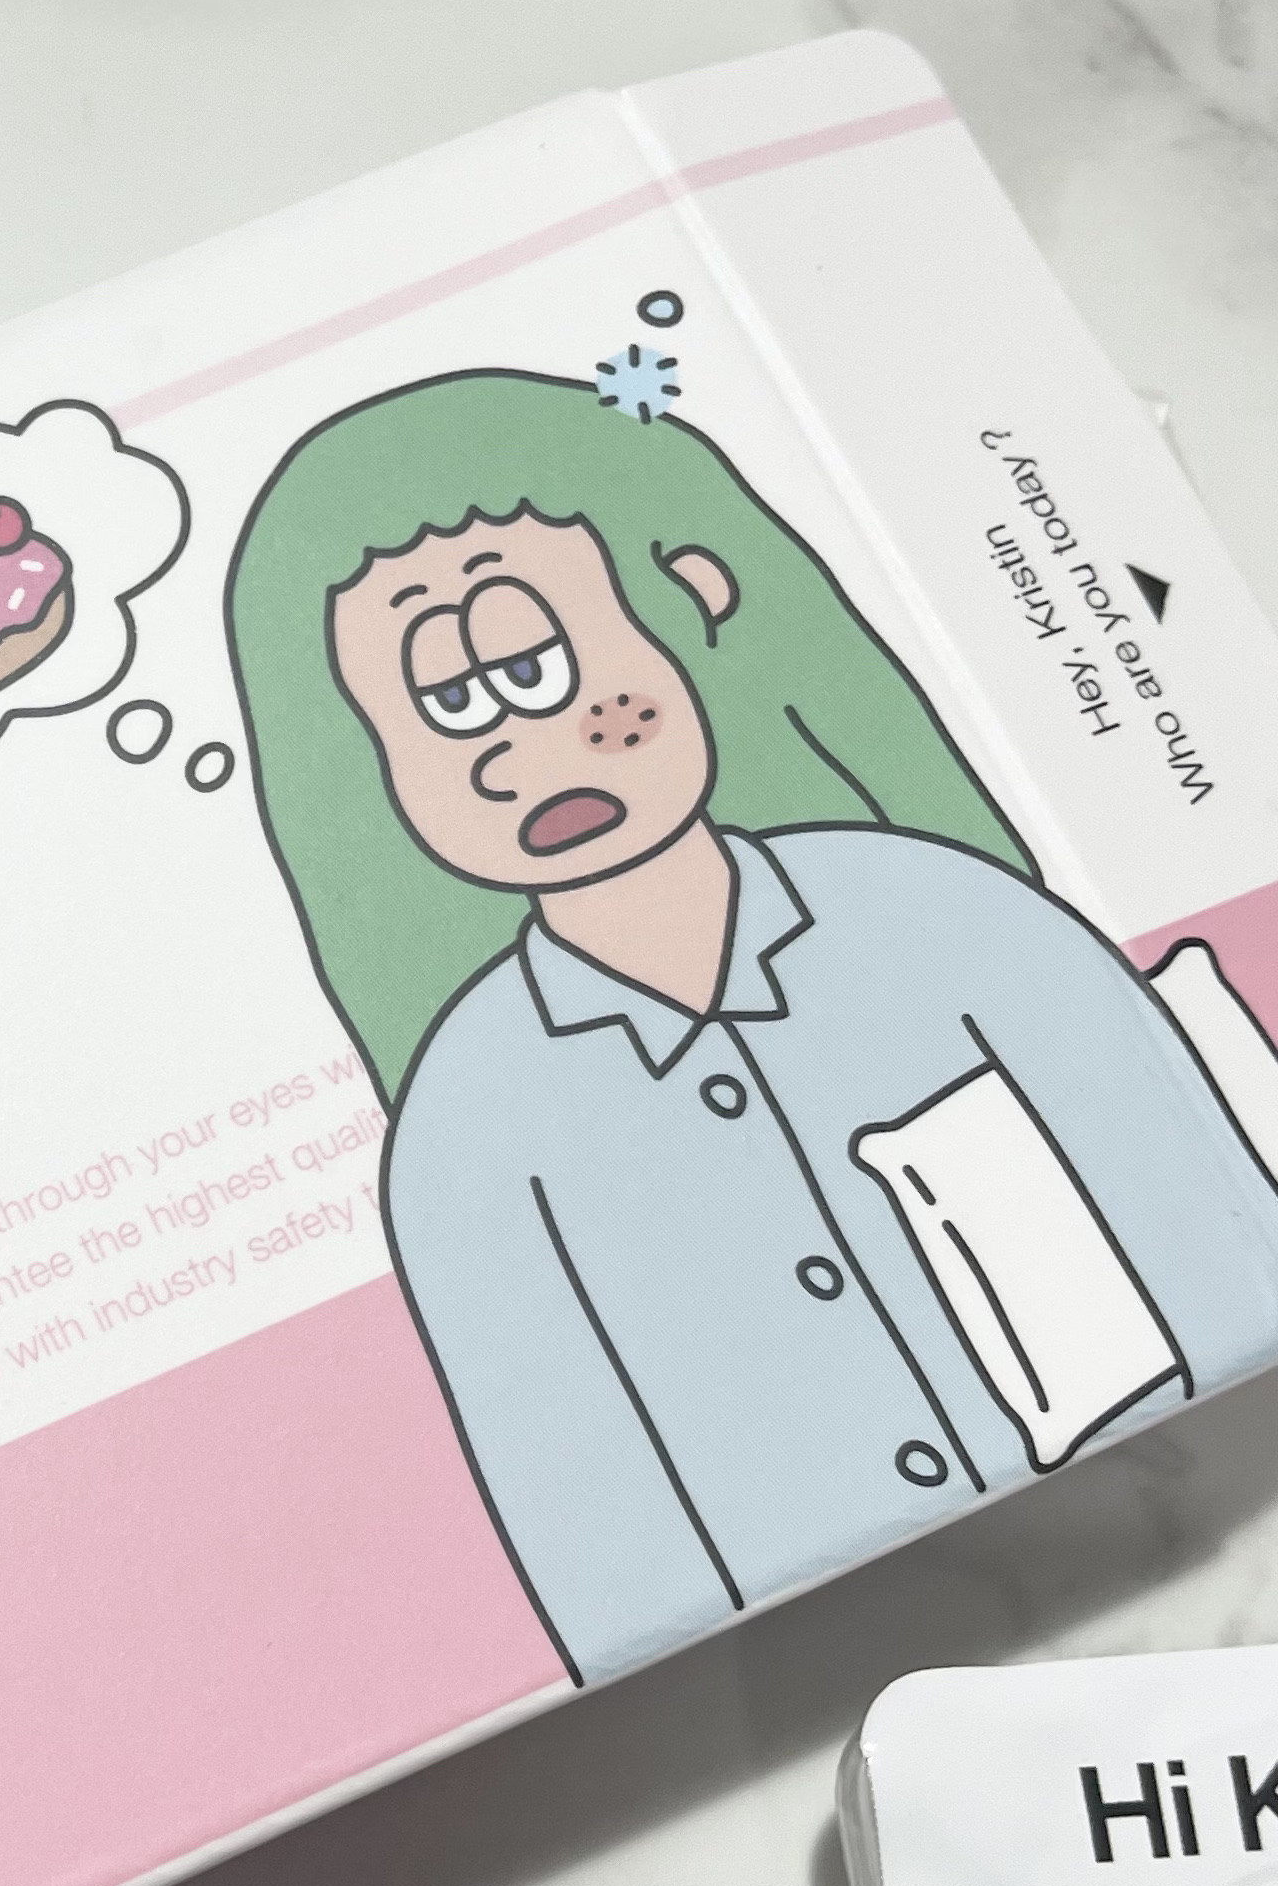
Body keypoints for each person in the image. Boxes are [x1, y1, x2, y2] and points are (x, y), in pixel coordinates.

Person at [225, 370, 1278, 1684]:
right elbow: (594, 1538)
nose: (521, 751)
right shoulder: (460, 1145)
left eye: (538, 665)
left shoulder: (960, 921)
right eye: (446, 706)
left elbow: (1215, 1235)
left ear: (695, 602)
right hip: (800, 1691)